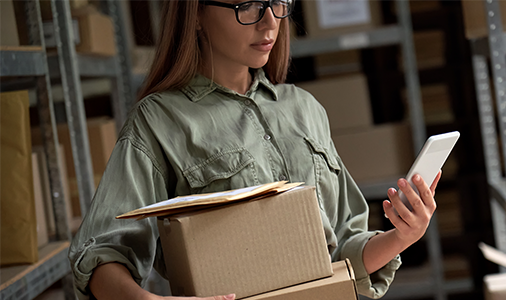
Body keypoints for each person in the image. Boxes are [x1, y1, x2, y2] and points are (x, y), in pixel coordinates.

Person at [68, 1, 440, 299]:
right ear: (196, 13)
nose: (269, 22)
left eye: (279, 2)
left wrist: (402, 235)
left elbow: (343, 252)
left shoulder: (305, 109)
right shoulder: (159, 121)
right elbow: (101, 255)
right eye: (248, 6)